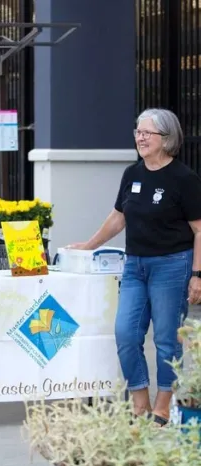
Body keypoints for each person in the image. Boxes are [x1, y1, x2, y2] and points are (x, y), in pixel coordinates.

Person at [68, 108, 201, 426]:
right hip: (135, 266)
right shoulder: (133, 174)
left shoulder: (185, 179)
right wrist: (89, 245)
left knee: (167, 339)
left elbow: (199, 229)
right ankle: (139, 403)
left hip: (172, 265)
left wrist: (197, 275)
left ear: (166, 138)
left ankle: (163, 405)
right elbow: (118, 217)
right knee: (126, 334)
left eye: (147, 133)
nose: (140, 138)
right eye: (137, 132)